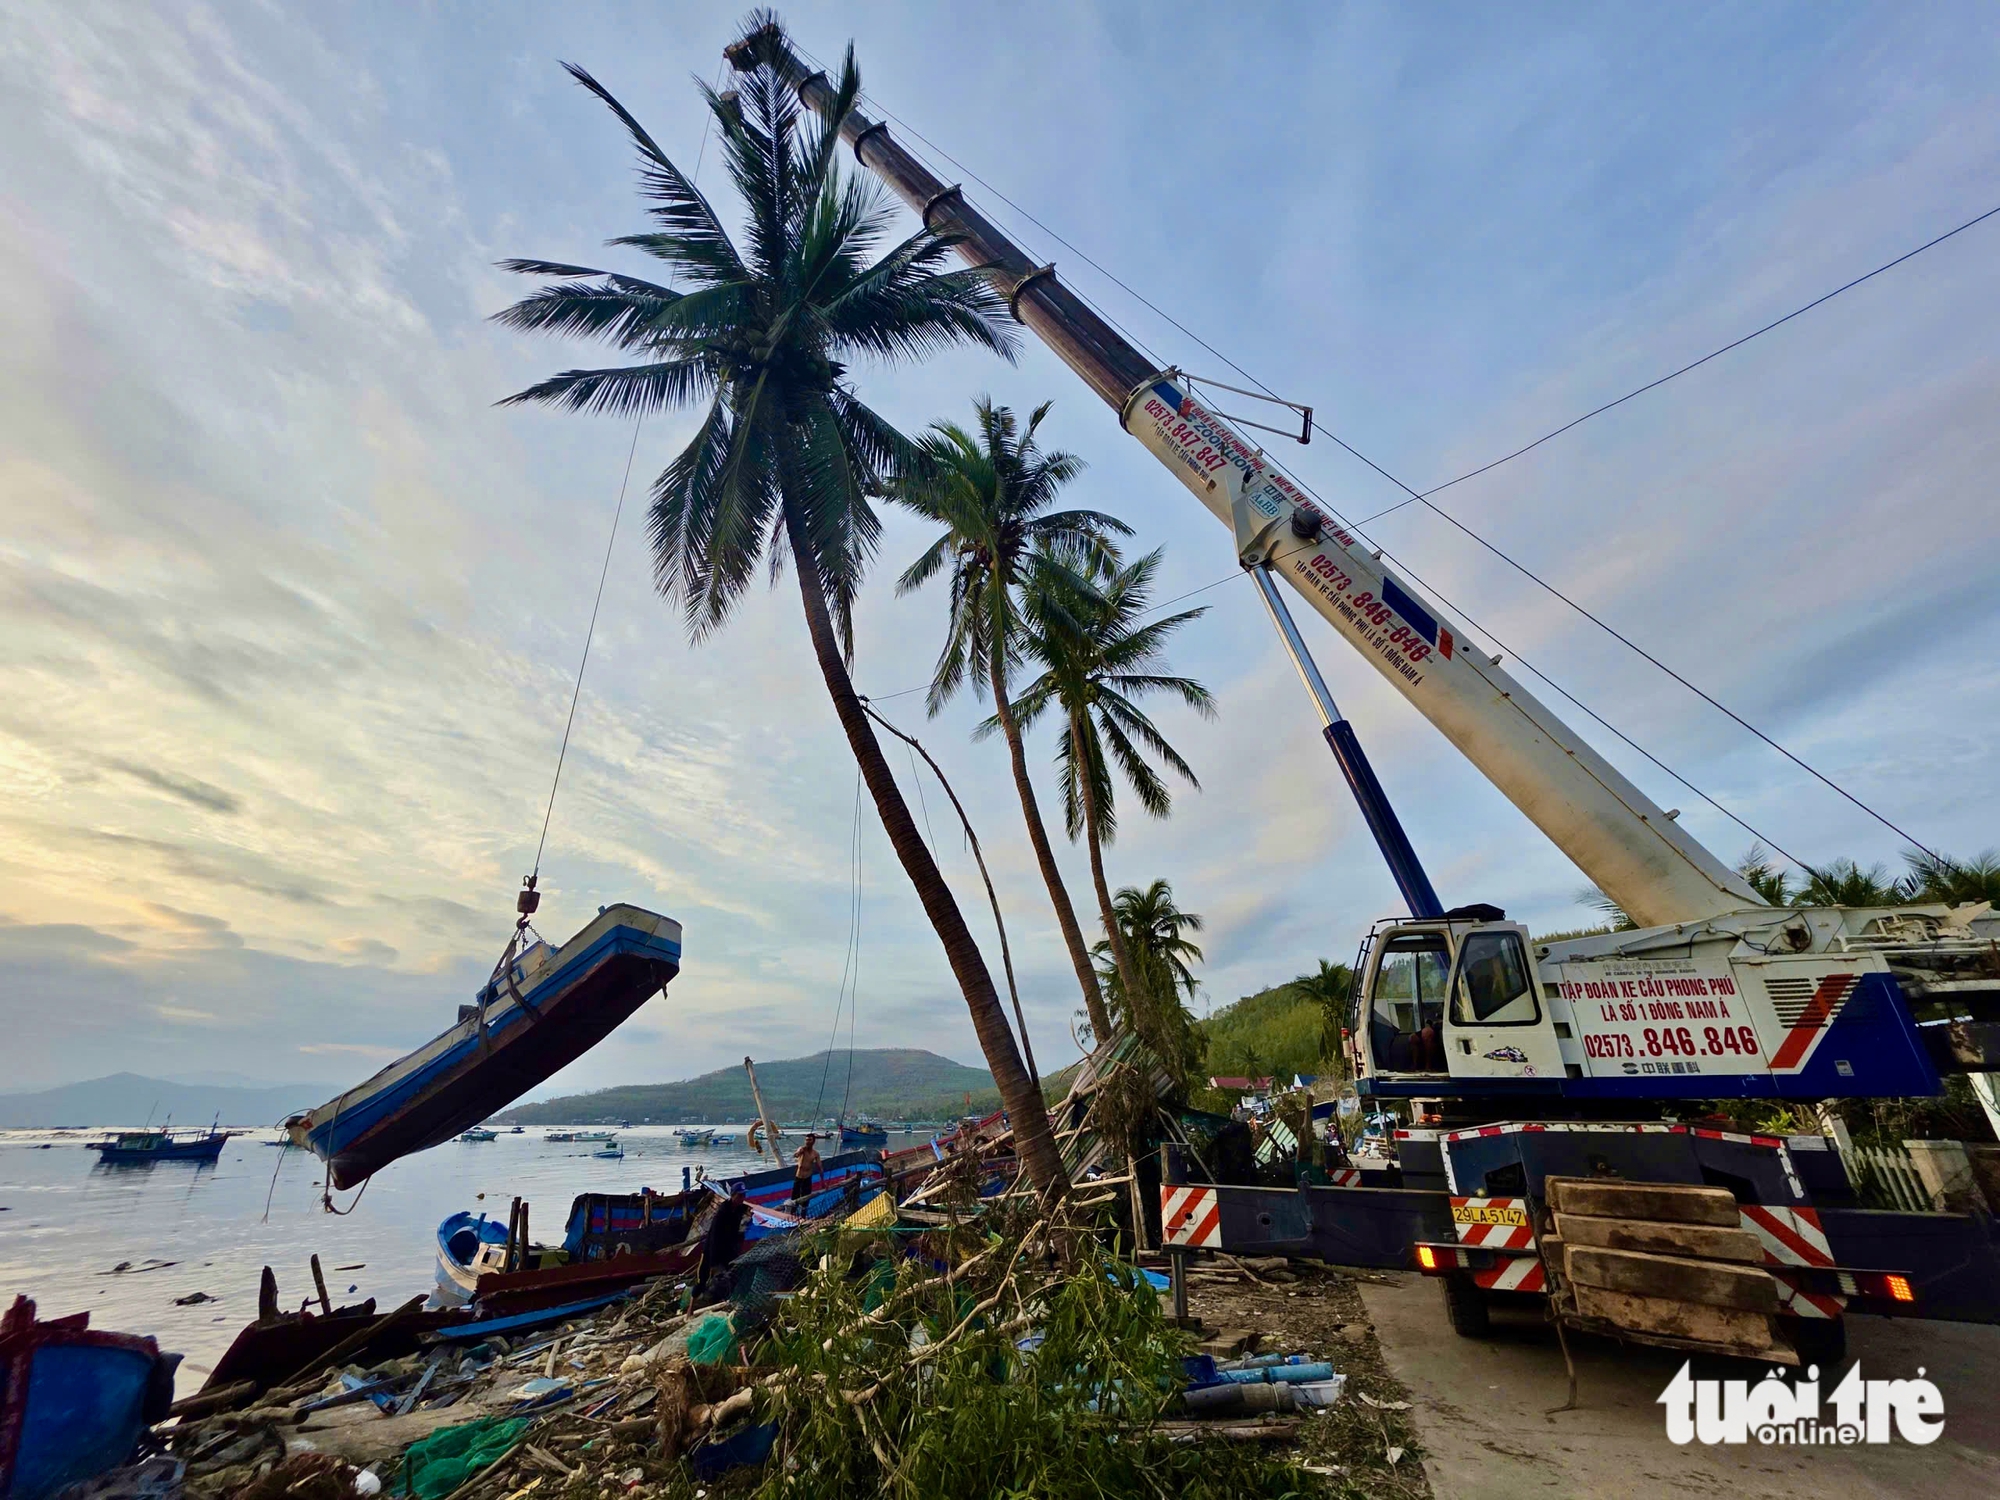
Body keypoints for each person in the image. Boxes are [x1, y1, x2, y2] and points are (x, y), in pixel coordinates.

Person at [696, 1184, 750, 1295]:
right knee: (703, 1280)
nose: (742, 1198)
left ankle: (725, 1297)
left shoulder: (739, 1210)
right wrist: (714, 1262)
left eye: (744, 1195)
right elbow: (714, 1237)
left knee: (730, 1277)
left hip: (728, 1250)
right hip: (713, 1251)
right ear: (732, 1195)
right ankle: (693, 1302)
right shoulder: (722, 1212)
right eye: (739, 1196)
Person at [790, 1133, 822, 1212]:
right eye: (806, 1140)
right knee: (794, 1199)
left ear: (813, 1141)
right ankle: (792, 1214)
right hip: (799, 1178)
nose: (807, 1142)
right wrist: (798, 1153)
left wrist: (822, 1181)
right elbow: (796, 1155)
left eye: (809, 1140)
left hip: (807, 1179)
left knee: (806, 1200)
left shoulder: (815, 1154)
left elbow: (820, 1167)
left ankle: (803, 1215)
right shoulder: (802, 1149)